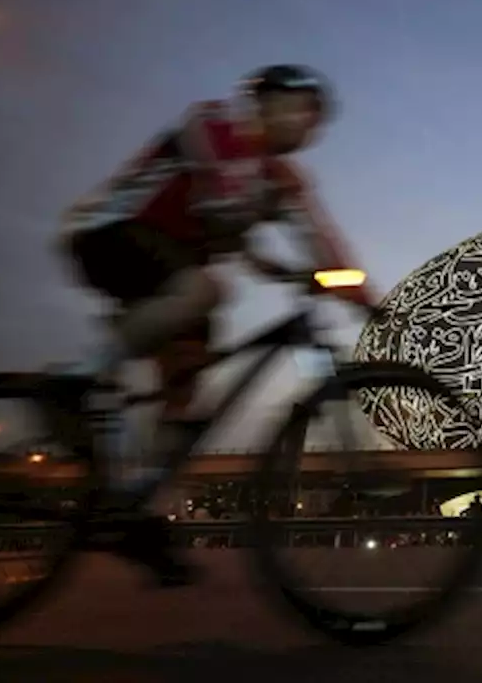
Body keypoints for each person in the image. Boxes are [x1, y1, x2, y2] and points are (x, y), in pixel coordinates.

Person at [55, 65, 378, 584]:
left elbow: (322, 242)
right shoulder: (215, 124)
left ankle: (134, 508)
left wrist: (362, 295)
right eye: (301, 107)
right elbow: (220, 195)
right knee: (209, 291)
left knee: (186, 386)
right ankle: (79, 374)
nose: (308, 126)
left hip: (173, 266)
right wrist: (275, 247)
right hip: (113, 231)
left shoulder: (279, 176)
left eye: (316, 121)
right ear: (263, 102)